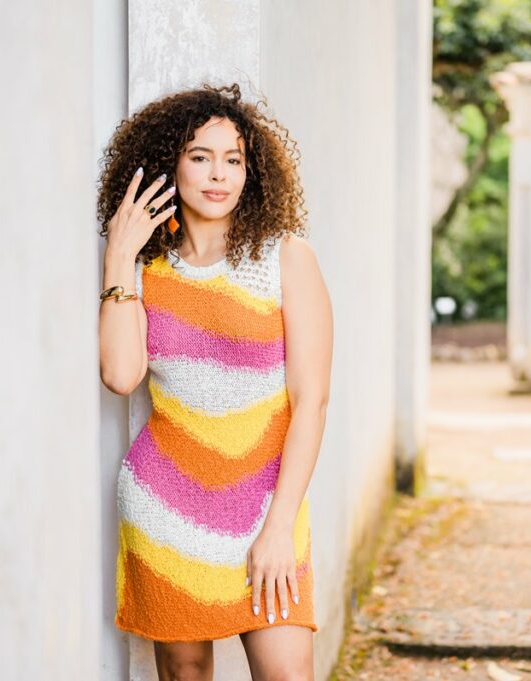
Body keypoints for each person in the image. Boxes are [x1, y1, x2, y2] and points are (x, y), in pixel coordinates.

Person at [96, 82, 333, 681]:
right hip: (165, 508)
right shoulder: (147, 270)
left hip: (266, 506)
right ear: (169, 164)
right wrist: (119, 258)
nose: (218, 175)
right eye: (200, 157)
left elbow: (312, 400)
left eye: (234, 160)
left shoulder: (285, 257)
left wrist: (280, 526)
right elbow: (122, 375)